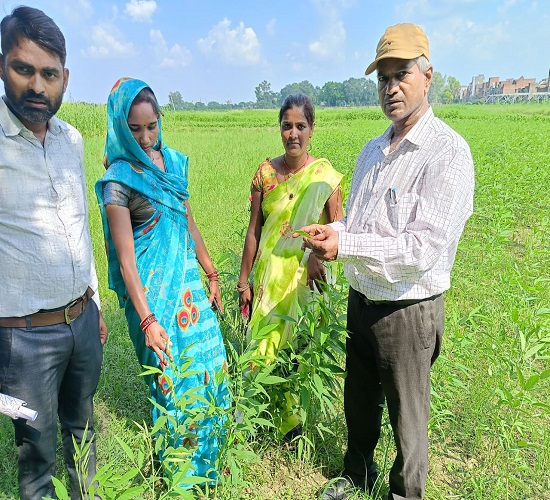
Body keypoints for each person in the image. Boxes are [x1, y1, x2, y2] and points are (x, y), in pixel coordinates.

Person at [301, 24, 475, 500]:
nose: (390, 88)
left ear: (427, 75)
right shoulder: (372, 151)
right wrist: (331, 233)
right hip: (363, 299)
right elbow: (356, 222)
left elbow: (422, 249)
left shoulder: (448, 153)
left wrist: (348, 247)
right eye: (383, 79)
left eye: (401, 75)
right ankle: (356, 475)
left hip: (408, 309)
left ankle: (405, 493)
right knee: (358, 403)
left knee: (407, 417)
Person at [95, 77, 229, 484]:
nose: (145, 136)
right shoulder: (119, 179)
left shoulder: (171, 163)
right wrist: (148, 320)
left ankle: (211, 462)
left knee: (210, 364)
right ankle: (181, 476)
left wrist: (210, 271)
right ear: (120, 127)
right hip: (154, 297)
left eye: (151, 126)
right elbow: (126, 257)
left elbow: (189, 221)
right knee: (173, 380)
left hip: (188, 283)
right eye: (135, 129)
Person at [0, 6, 107, 500]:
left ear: (65, 78)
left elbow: (79, 226)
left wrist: (96, 301)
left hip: (82, 321)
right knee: (36, 458)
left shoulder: (72, 140)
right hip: (23, 340)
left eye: (50, 74)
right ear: (3, 65)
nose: (37, 87)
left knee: (83, 431)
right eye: (24, 69)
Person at [238, 93, 344, 440]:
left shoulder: (324, 177)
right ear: (279, 129)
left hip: (306, 279)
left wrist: (315, 255)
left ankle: (291, 426)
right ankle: (247, 419)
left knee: (298, 349)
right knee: (261, 348)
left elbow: (336, 230)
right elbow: (254, 231)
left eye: (301, 126)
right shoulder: (265, 174)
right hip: (269, 276)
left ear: (312, 129)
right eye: (287, 126)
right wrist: (243, 282)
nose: (293, 133)